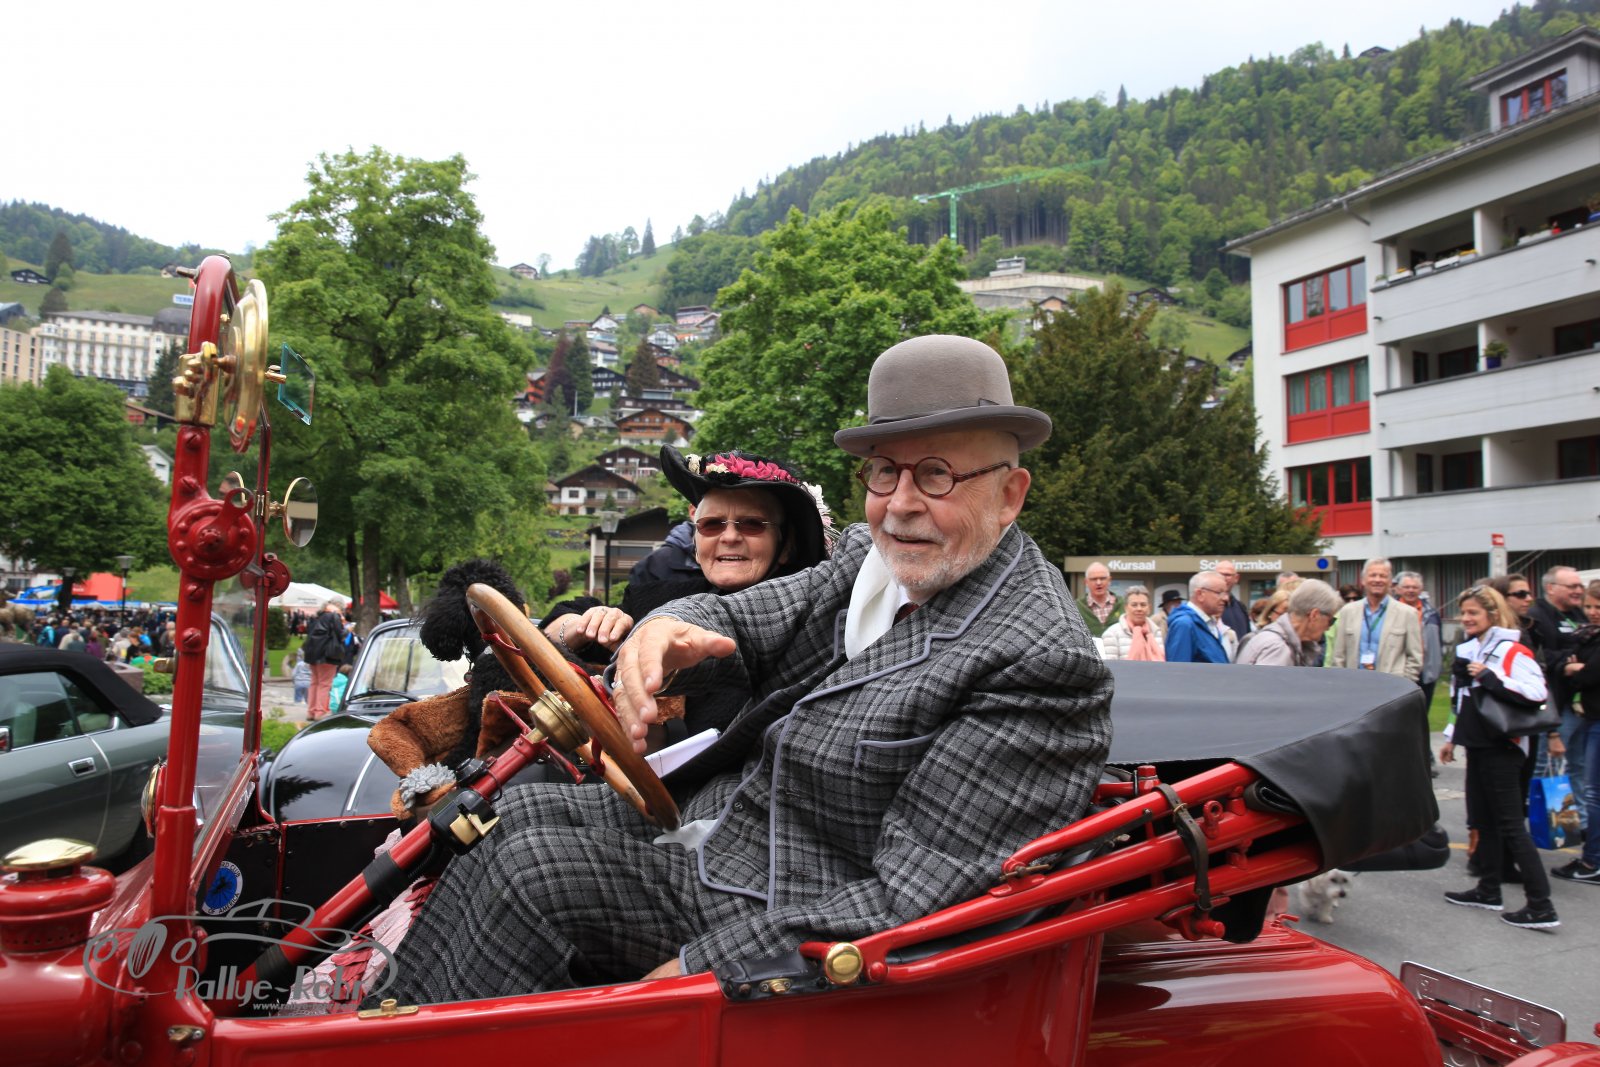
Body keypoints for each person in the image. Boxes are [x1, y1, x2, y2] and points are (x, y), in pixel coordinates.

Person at [376, 334, 1113, 1005]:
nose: (899, 506)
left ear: (1010, 493)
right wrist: (666, 631)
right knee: (505, 814)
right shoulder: (870, 560)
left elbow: (913, 898)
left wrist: (705, 965)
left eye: (937, 474)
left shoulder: (1040, 660)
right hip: (722, 825)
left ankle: (396, 1039)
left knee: (528, 871)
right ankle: (391, 1001)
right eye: (884, 472)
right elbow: (746, 619)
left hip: (789, 902)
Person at [541, 445, 831, 740]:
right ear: (695, 541)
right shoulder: (655, 598)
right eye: (712, 525)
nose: (729, 536)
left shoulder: (811, 628)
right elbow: (554, 627)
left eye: (752, 524)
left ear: (786, 546)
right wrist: (582, 627)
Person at [1440, 585, 1558, 929]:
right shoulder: (1470, 648)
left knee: (1510, 825)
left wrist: (1491, 677)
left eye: (1473, 612)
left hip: (1504, 747)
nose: (1466, 618)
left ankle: (1541, 905)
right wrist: (1451, 738)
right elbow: (1461, 698)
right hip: (1477, 745)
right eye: (1464, 612)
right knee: (1484, 821)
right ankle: (1488, 889)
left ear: (1493, 614)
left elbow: (1537, 692)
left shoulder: (1511, 649)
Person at [1529, 566, 1588, 834]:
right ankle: (1541, 824)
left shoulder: (1579, 614)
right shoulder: (1538, 616)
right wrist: (1565, 660)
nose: (1578, 591)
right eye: (1571, 586)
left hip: (1579, 704)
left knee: (1579, 766)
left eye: (1579, 586)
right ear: (1551, 588)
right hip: (1551, 704)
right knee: (1546, 765)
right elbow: (1538, 658)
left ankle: (1579, 822)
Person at [1551, 579, 1600, 884]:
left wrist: (1576, 669)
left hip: (1596, 719)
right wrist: (1574, 667)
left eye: (1598, 607)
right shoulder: (1588, 635)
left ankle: (1593, 861)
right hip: (1590, 717)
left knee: (1594, 793)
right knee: (1586, 784)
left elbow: (1590, 674)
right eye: (1589, 606)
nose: (1593, 612)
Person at [1330, 558, 1422, 682]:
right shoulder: (1348, 611)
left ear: (1390, 582)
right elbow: (1338, 656)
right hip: (1354, 684)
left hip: (1391, 686)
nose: (1377, 580)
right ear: (1363, 580)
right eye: (1373, 575)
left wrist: (1404, 685)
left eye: (1383, 576)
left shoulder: (1407, 614)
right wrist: (1341, 683)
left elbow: (1415, 658)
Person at [1236, 580, 1340, 667]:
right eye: (1331, 621)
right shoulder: (1278, 648)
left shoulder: (1278, 640)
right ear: (1314, 615)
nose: (1328, 628)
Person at [1396, 572, 1443, 710]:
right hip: (1401, 669)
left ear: (1421, 589)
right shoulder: (1391, 612)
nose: (1411, 590)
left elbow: (1438, 643)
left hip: (1426, 671)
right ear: (1399, 589)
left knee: (1422, 712)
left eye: (1414, 587)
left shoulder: (1431, 614)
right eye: (1407, 587)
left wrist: (1435, 669)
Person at [1164, 571, 1232, 663]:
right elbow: (1178, 669)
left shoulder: (1208, 623)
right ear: (1200, 594)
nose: (1226, 598)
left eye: (1226, 593)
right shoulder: (1184, 624)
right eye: (1219, 593)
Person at [304, 600, 346, 721]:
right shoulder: (334, 616)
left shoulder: (317, 616)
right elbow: (340, 634)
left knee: (314, 682)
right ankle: (321, 712)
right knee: (325, 684)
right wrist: (348, 629)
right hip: (327, 655)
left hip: (312, 654)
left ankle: (311, 711)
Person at [1099, 585, 1164, 661]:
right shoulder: (1111, 634)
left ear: (1149, 608)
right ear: (1126, 608)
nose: (1139, 609)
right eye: (1134, 605)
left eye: (1143, 605)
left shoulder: (1156, 632)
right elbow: (1110, 666)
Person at [1077, 562, 1120, 638]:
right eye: (1093, 579)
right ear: (1086, 582)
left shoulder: (1123, 604)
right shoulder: (1076, 607)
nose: (1098, 582)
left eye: (1102, 578)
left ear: (1109, 580)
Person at [1213, 560, 1251, 642]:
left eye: (1227, 575)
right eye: (1220, 574)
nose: (1223, 578)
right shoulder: (1209, 607)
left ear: (1236, 578)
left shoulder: (1240, 607)